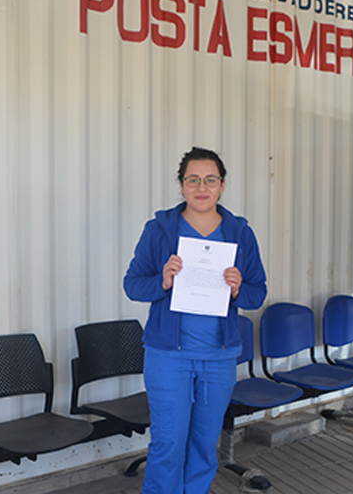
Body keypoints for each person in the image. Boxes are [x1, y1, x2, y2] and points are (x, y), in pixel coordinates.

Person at [124, 147, 267, 494]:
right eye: (193, 180)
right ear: (181, 184)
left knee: (204, 447)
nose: (201, 187)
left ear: (221, 185)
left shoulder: (239, 232)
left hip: (218, 357)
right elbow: (132, 284)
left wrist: (237, 290)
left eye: (210, 180)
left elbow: (257, 292)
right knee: (168, 444)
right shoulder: (159, 229)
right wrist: (162, 280)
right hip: (168, 356)